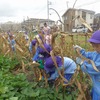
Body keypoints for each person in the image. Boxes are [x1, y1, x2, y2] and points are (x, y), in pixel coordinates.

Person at [73, 30, 100, 100]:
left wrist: (82, 64)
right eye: (93, 46)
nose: (94, 48)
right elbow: (90, 54)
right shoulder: (97, 53)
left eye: (96, 46)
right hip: (96, 85)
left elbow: (93, 68)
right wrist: (81, 50)